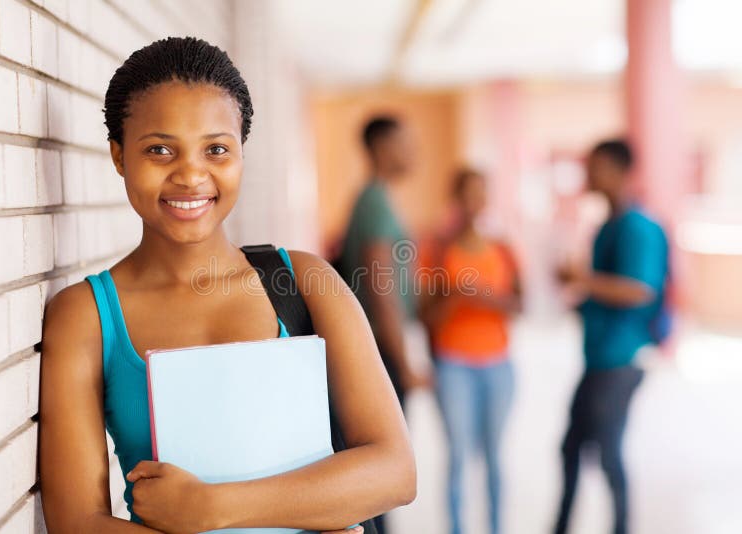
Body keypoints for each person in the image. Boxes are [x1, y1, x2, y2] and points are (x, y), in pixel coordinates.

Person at [39, 37, 415, 533]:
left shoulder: (305, 282)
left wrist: (213, 508)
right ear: (118, 155)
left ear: (241, 153)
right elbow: (77, 524)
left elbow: (395, 472)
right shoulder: (86, 316)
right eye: (159, 149)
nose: (191, 174)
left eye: (216, 149)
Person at [554, 140, 668, 534]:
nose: (590, 176)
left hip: (621, 359)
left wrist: (582, 279)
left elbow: (640, 290)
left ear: (621, 171)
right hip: (600, 356)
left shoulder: (639, 228)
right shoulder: (608, 226)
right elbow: (605, 290)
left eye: (597, 167)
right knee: (571, 449)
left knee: (606, 454)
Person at [337, 116, 431, 534]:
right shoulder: (374, 201)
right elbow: (381, 289)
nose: (412, 152)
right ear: (380, 147)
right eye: (403, 143)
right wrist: (403, 361)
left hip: (376, 348)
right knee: (383, 470)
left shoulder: (378, 198)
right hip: (378, 350)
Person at [420, 168, 521, 534]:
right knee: (459, 456)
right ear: (456, 199)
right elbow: (425, 314)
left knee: (494, 456)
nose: (474, 202)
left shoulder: (503, 248)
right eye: (467, 193)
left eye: (481, 193)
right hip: (454, 365)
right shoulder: (438, 248)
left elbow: (520, 305)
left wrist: (487, 298)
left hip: (498, 364)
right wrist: (455, 296)